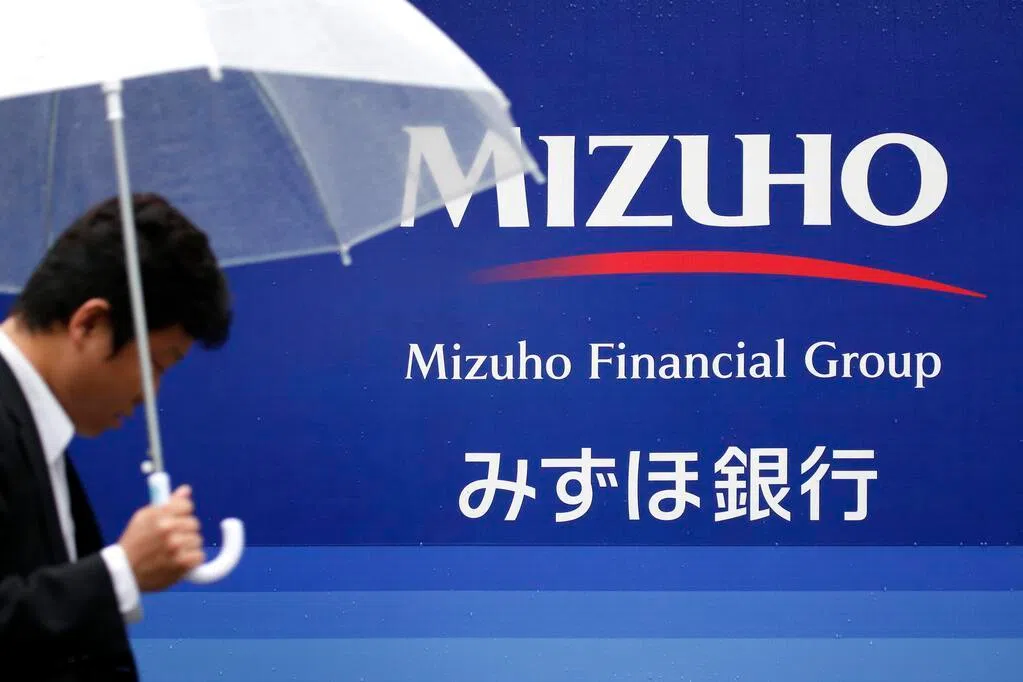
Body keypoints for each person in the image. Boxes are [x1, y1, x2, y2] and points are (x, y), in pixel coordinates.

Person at [0, 193, 232, 680]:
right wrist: (120, 572)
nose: (152, 393)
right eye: (158, 363)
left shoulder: (37, 430)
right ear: (89, 323)